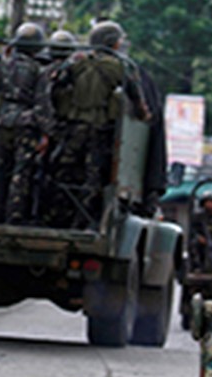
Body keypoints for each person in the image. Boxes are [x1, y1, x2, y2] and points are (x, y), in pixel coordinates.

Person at [43, 20, 147, 228]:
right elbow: (136, 97)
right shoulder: (121, 65)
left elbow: (54, 88)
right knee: (93, 177)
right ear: (112, 43)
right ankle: (82, 222)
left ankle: (55, 218)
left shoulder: (75, 61)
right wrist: (144, 114)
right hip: (99, 129)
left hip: (72, 127)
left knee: (63, 172)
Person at [0, 22, 47, 224]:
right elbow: (42, 103)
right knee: (20, 174)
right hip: (25, 123)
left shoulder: (3, 64)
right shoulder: (38, 70)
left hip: (2, 119)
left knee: (0, 171)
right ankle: (13, 217)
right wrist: (46, 132)